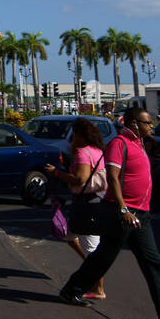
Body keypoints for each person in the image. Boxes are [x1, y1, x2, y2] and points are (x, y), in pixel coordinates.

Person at [59, 108, 160, 319]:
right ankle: (71, 290)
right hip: (121, 212)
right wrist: (123, 210)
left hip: (141, 214)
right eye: (147, 123)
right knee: (104, 257)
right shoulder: (119, 144)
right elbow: (112, 177)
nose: (151, 126)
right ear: (133, 123)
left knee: (152, 262)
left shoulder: (139, 144)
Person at [44, 116, 108, 300]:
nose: (72, 138)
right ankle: (91, 273)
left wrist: (57, 173)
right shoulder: (97, 150)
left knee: (91, 247)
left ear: (80, 135)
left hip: (87, 202)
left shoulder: (82, 153)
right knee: (70, 236)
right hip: (95, 198)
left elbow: (80, 179)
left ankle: (98, 288)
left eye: (74, 135)